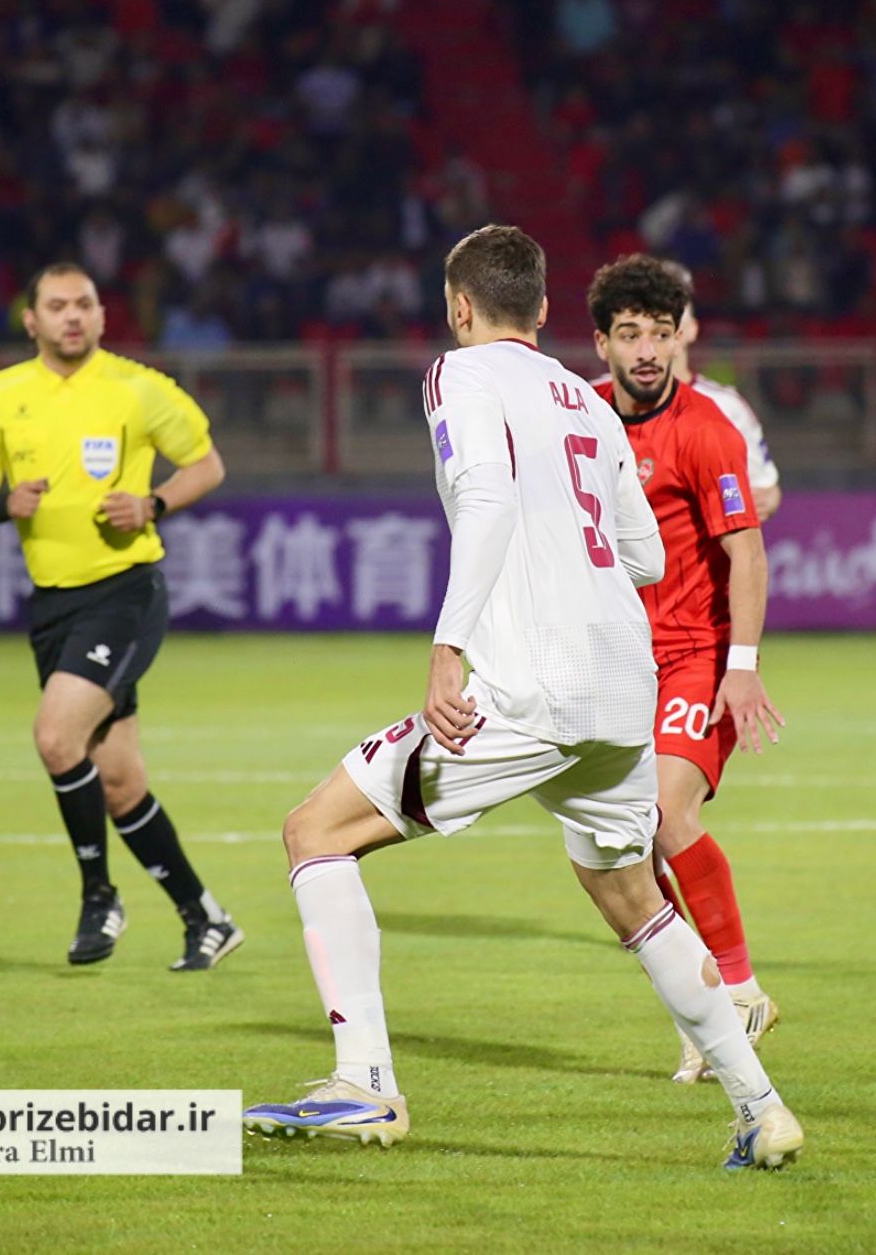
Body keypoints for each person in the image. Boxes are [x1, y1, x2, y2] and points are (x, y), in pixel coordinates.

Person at [242, 226, 805, 1171]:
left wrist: (449, 647)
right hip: (622, 686)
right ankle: (761, 1106)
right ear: (544, 310)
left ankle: (364, 1083)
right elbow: (646, 554)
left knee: (316, 832)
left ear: (459, 307)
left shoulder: (457, 373)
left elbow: (489, 502)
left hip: (527, 686)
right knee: (629, 893)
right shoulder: (586, 403)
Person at [0, 262, 243, 969]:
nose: (72, 316)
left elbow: (207, 465)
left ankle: (99, 896)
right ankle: (205, 918)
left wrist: (153, 504)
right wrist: (4, 504)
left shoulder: (138, 388)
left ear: (102, 316)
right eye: (56, 306)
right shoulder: (1, 394)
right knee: (118, 784)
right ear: (31, 320)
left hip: (125, 593)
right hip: (53, 605)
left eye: (84, 304)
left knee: (57, 737)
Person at [590, 255, 787, 1085]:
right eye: (629, 333)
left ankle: (738, 991)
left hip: (694, 655)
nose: (646, 350)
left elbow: (748, 553)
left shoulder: (708, 429)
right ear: (601, 343)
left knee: (666, 813)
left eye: (660, 334)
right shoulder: (580, 422)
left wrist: (740, 668)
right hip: (612, 663)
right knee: (618, 852)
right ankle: (703, 1005)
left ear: (680, 339)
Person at [664, 260, 782, 521]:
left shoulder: (728, 406)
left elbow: (765, 489)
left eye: (674, 317)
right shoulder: (598, 400)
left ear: (692, 329)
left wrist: (768, 498)